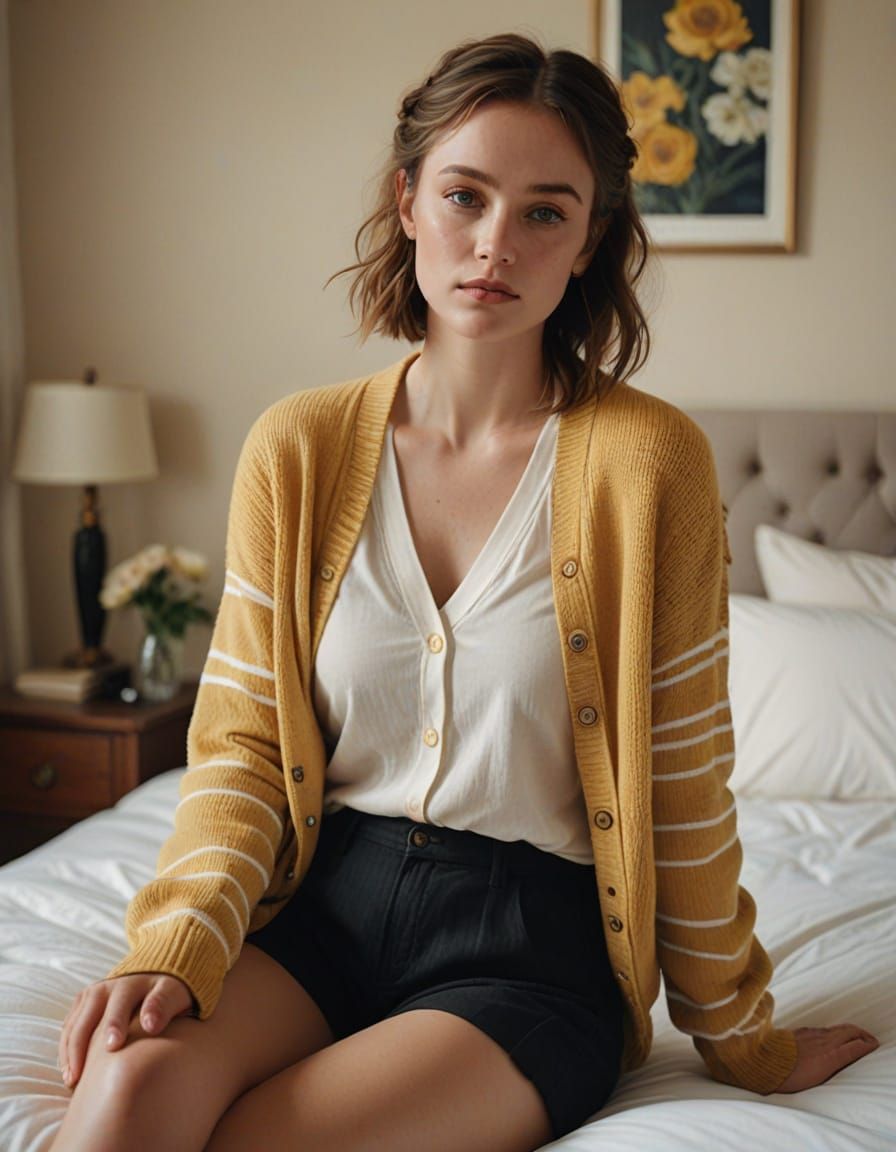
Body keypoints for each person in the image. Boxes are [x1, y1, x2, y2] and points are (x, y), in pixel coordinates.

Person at [51, 31, 878, 1152]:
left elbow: (681, 774)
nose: (495, 243)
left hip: (527, 949)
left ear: (589, 239)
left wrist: (743, 1036)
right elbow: (241, 746)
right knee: (123, 1105)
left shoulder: (649, 465)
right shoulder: (295, 449)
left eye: (544, 210)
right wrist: (177, 941)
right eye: (463, 195)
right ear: (406, 201)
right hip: (322, 905)